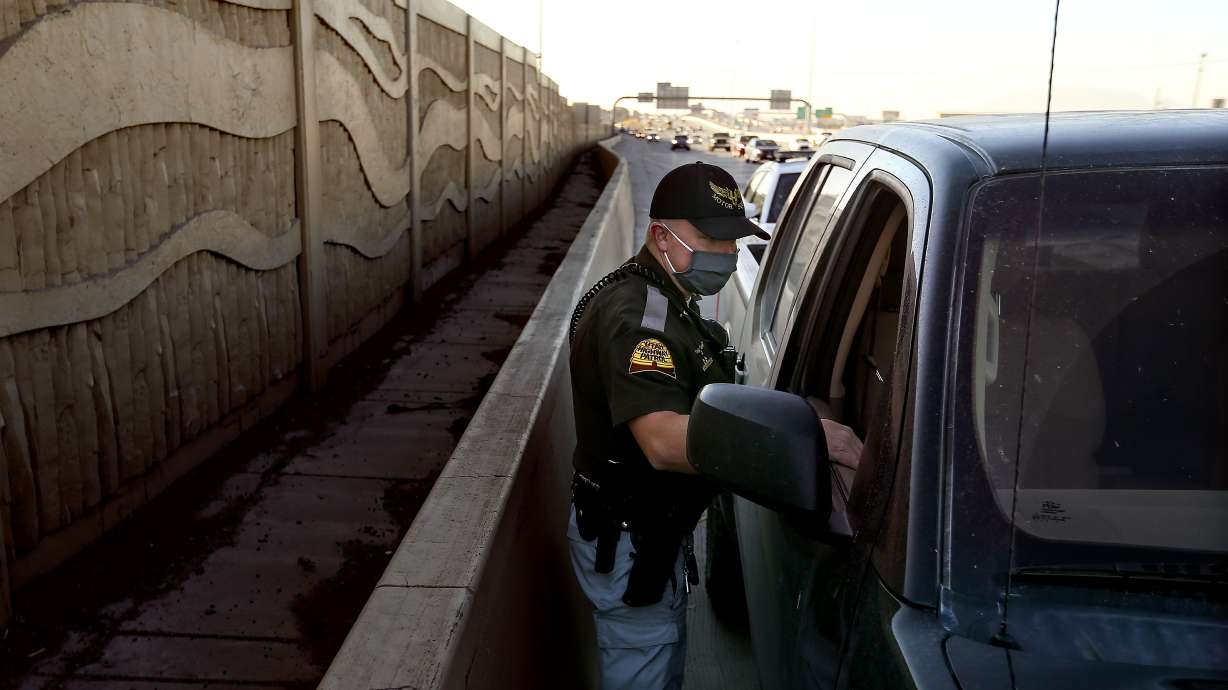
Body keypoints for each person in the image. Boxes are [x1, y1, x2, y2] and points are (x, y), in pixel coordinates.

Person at [566, 161, 863, 690]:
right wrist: (807, 437)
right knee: (644, 667)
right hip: (633, 541)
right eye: (713, 240)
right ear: (661, 235)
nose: (727, 255)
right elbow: (660, 442)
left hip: (650, 534)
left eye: (733, 241)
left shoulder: (673, 300)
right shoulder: (642, 324)